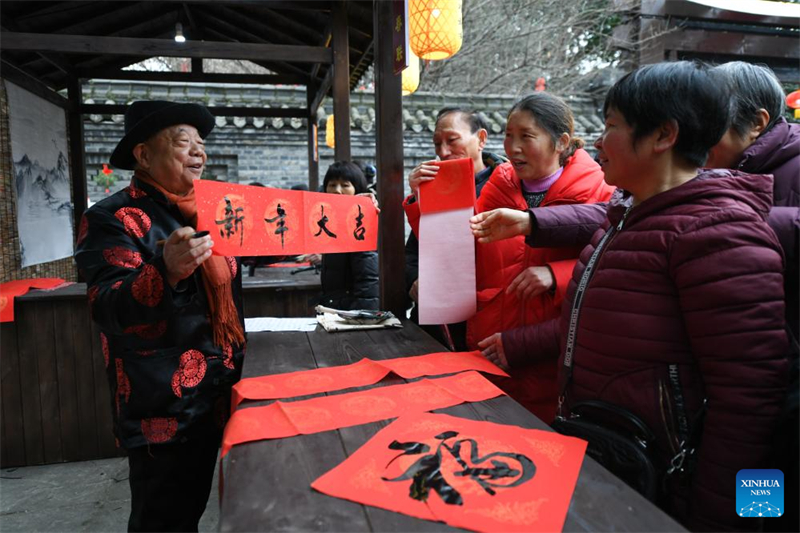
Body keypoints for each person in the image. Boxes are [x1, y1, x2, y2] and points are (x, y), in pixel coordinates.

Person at [470, 61, 789, 530]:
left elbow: (752, 398)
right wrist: (521, 343)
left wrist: (732, 518)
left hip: (675, 491)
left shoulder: (722, 232)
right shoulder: (625, 216)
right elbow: (594, 324)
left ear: (663, 135)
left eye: (613, 126)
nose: (598, 141)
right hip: (616, 466)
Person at [75, 101, 245, 532]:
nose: (198, 153)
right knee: (164, 520)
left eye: (201, 144)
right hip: (163, 408)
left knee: (204, 507)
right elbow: (105, 305)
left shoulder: (215, 211)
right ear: (144, 155)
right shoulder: (110, 217)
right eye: (183, 142)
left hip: (222, 392)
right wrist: (164, 271)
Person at [471, 93, 613, 421]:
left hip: (553, 352)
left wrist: (556, 274)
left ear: (561, 142)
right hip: (492, 344)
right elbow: (464, 247)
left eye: (526, 136)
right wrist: (427, 202)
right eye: (508, 135)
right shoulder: (498, 185)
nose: (513, 147)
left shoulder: (600, 190)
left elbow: (611, 263)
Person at [403, 107, 506, 349]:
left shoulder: (508, 185)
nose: (443, 152)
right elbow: (412, 254)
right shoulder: (433, 188)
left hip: (489, 318)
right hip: (438, 322)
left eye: (452, 140)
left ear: (481, 139)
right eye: (437, 143)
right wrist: (414, 281)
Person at [318, 161, 379, 310]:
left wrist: (362, 317)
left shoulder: (360, 223)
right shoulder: (330, 219)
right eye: (332, 185)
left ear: (356, 188)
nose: (337, 191)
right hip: (335, 308)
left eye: (345, 185)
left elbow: (368, 280)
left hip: (353, 315)